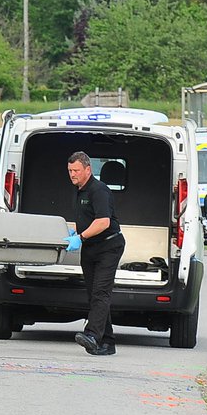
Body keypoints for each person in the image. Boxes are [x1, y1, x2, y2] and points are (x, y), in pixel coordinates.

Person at [66, 151, 126, 356]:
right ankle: (107, 343)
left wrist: (80, 238)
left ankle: (91, 334)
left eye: (76, 170)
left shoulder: (98, 190)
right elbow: (85, 218)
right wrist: (74, 231)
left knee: (101, 291)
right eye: (70, 170)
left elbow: (103, 222)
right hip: (91, 247)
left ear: (88, 170)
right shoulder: (79, 190)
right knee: (93, 295)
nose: (72, 174)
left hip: (109, 246)